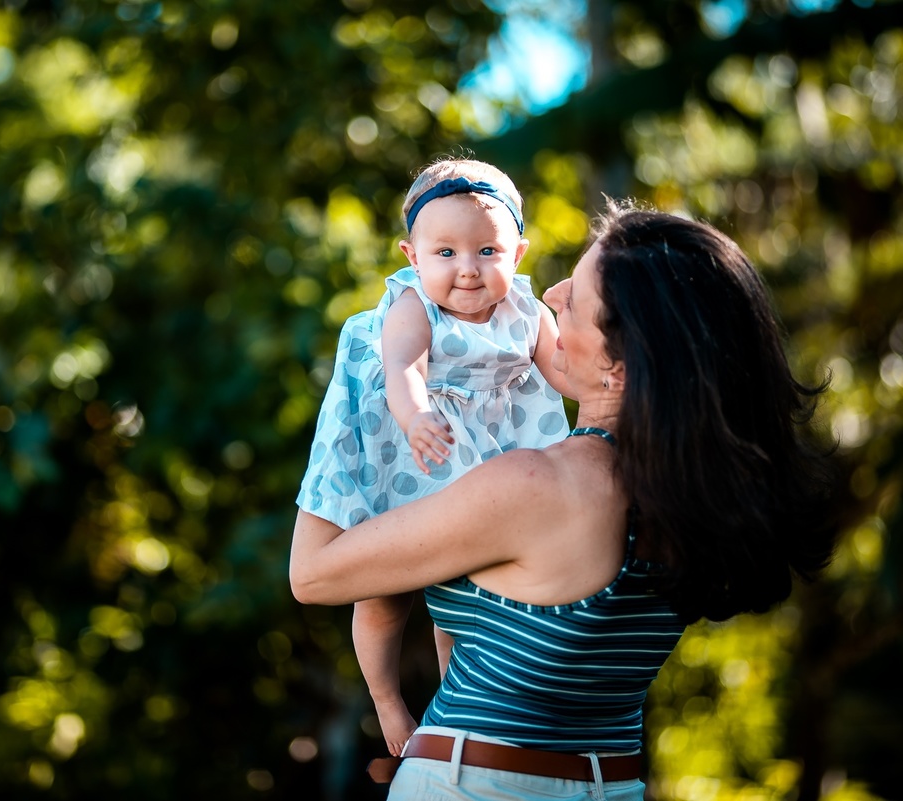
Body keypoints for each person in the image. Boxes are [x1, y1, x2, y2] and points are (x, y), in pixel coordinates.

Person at [290, 200, 837, 800]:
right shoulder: (696, 498)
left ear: (620, 368)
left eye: (573, 299)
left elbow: (313, 576)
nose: (548, 296)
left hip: (473, 784)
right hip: (615, 784)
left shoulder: (533, 488)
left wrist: (358, 375)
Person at [296, 157, 571, 756]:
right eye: (444, 253)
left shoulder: (528, 312)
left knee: (463, 595)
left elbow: (564, 373)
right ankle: (389, 706)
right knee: (384, 596)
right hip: (411, 455)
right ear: (412, 255)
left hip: (482, 467)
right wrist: (417, 416)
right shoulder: (411, 306)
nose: (467, 270)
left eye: (487, 251)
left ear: (518, 254)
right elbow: (404, 367)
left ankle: (457, 700)